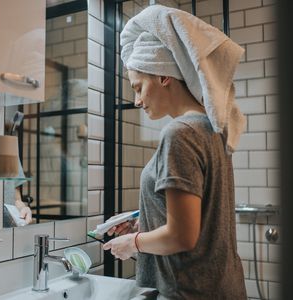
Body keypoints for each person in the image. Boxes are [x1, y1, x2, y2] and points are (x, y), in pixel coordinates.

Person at [102, 5, 247, 299]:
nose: (137, 101)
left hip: (189, 291)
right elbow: (200, 221)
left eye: (139, 87)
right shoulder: (212, 129)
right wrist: (147, 222)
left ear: (164, 76)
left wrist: (133, 242)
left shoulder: (179, 133)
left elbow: (182, 236)